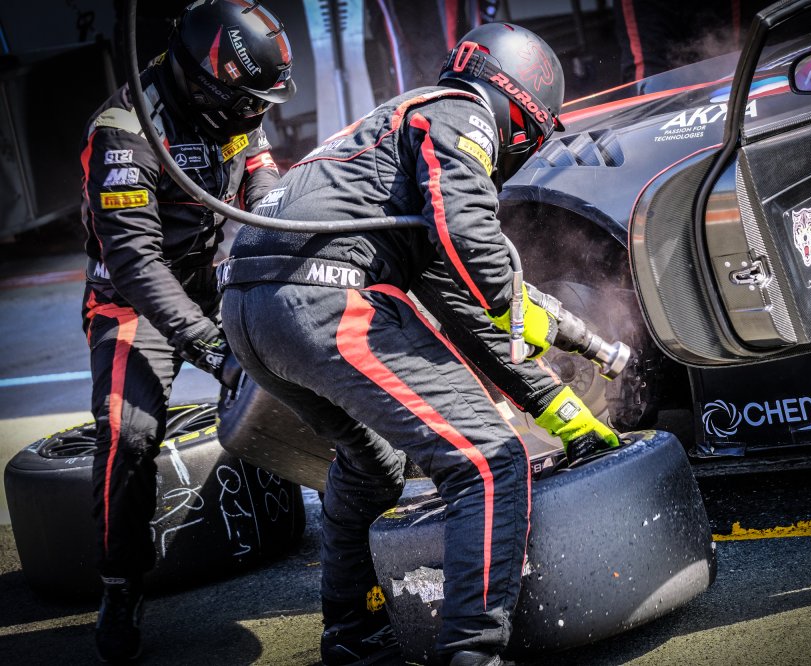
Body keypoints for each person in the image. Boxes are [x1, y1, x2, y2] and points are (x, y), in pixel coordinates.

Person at [218, 22, 618, 666]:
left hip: (250, 312)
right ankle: (473, 654)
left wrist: (557, 407)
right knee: (489, 462)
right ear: (520, 112)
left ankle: (352, 640)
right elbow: (469, 241)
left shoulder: (387, 141)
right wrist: (516, 301)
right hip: (323, 297)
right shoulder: (461, 110)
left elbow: (462, 305)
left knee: (371, 465)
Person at [78, 0, 295, 661]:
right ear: (205, 80)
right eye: (247, 101)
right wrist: (213, 349)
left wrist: (274, 213)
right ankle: (120, 585)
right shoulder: (124, 132)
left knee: (313, 339)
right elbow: (136, 264)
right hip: (130, 300)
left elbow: (259, 169)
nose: (255, 114)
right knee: (128, 434)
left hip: (209, 274)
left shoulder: (232, 106)